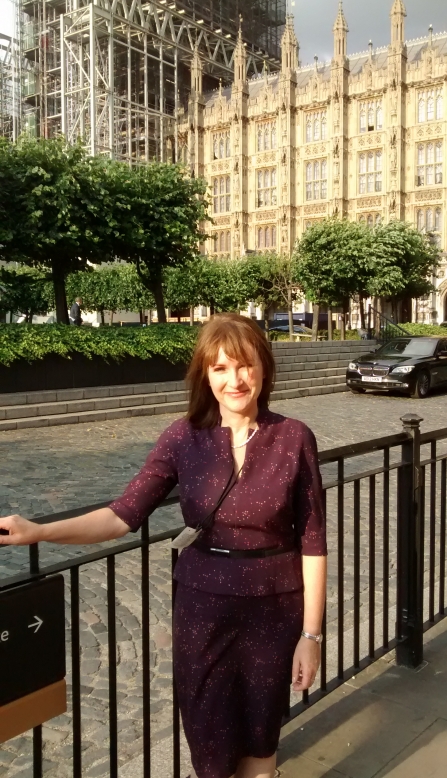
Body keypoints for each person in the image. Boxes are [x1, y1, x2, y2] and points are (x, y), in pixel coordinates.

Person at [0, 313, 327, 778]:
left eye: (244, 365)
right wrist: (39, 531)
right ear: (205, 375)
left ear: (263, 368)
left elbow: (313, 543)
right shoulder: (183, 438)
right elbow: (121, 515)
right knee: (210, 744)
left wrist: (310, 637)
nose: (234, 380)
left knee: (261, 739)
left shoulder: (294, 437)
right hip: (203, 611)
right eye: (220, 368)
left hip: (274, 611)